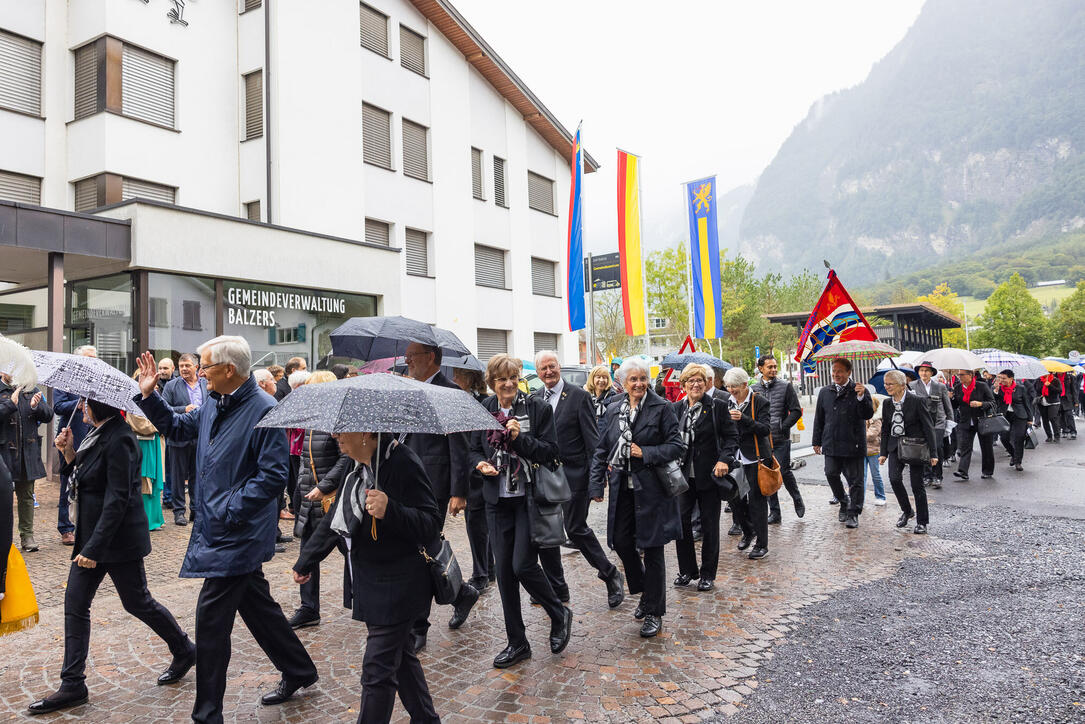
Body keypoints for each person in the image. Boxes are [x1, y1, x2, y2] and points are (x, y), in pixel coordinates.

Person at [134, 339, 318, 723]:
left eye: (206, 367)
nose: (200, 373)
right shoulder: (215, 403)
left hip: (239, 533)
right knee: (259, 608)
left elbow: (272, 478)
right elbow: (178, 428)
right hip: (219, 527)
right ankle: (299, 669)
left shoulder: (265, 410)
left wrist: (229, 509)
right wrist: (150, 397)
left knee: (211, 621)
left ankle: (207, 714)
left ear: (229, 370)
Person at [27, 399, 195, 715]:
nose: (82, 408)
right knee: (75, 603)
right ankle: (73, 684)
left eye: (87, 404)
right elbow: (87, 477)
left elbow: (118, 498)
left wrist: (93, 549)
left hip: (117, 539)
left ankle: (184, 649)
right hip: (93, 534)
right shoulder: (97, 433)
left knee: (137, 602)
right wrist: (68, 454)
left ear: (102, 407)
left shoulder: (121, 437)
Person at [293, 431, 442, 723]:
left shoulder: (402, 462)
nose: (336, 436)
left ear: (364, 434)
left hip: (400, 585)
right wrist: (307, 559)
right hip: (371, 581)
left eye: (342, 430)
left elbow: (431, 524)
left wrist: (392, 510)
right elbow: (335, 516)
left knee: (377, 669)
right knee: (402, 660)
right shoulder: (358, 464)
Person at [472, 353, 572, 665]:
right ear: (492, 382)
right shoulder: (483, 410)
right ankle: (518, 643)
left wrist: (520, 439)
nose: (509, 383)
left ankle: (559, 613)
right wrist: (479, 464)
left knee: (522, 566)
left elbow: (552, 454)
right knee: (503, 573)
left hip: (528, 499)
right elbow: (472, 449)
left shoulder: (536, 408)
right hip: (497, 501)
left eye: (513, 377)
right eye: (502, 379)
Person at [589, 356, 683, 638]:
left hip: (652, 490)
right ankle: (645, 590)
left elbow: (676, 446)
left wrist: (647, 453)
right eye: (634, 379)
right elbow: (601, 449)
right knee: (619, 541)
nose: (639, 384)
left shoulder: (662, 408)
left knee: (653, 548)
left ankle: (654, 611)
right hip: (622, 488)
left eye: (643, 378)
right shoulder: (613, 408)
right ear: (623, 382)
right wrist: (596, 485)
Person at [533, 351, 625, 609]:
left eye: (552, 366)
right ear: (538, 373)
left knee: (575, 529)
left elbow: (594, 443)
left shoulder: (578, 396)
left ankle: (609, 574)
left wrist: (597, 480)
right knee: (548, 533)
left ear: (559, 366)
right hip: (545, 477)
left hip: (575, 476)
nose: (548, 372)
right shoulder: (535, 399)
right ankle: (558, 588)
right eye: (543, 369)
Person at [401, 342, 478, 646]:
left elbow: (460, 447)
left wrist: (459, 492)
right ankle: (462, 593)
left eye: (412, 357)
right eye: (406, 357)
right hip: (406, 479)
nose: (407, 362)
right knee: (424, 548)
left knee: (419, 551)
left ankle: (419, 626)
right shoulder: (409, 390)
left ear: (430, 357)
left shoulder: (451, 392)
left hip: (435, 484)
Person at [288, 371, 351, 629]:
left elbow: (347, 458)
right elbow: (305, 463)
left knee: (351, 551)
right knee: (308, 552)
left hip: (332, 501)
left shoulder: (338, 422)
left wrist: (325, 486)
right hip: (311, 500)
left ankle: (361, 597)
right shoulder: (314, 420)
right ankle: (308, 608)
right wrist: (297, 495)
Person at [672, 364, 738, 589]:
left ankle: (708, 574)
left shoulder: (718, 406)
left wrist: (724, 460)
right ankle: (687, 570)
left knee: (710, 526)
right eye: (691, 381)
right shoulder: (676, 409)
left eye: (700, 380)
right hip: (682, 478)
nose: (695, 384)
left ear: (707, 383)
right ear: (684, 385)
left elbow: (731, 439)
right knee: (681, 524)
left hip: (710, 477)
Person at [811, 358, 874, 529]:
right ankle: (843, 500)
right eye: (834, 371)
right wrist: (816, 441)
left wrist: (862, 397)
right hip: (831, 442)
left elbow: (867, 414)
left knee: (856, 481)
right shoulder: (825, 392)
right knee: (831, 473)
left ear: (848, 373)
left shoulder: (859, 390)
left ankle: (853, 512)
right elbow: (819, 418)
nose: (836, 374)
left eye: (840, 371)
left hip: (853, 443)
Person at [720, 367, 773, 558]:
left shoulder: (759, 401)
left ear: (744, 384)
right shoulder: (726, 402)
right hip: (734, 458)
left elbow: (765, 429)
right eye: (728, 387)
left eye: (734, 386)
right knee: (735, 499)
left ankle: (762, 544)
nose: (731, 390)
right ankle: (748, 531)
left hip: (755, 458)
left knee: (757, 502)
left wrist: (744, 419)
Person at [879, 370, 939, 535]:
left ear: (902, 384)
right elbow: (885, 429)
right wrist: (883, 452)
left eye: (890, 384)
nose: (887, 387)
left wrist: (933, 453)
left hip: (915, 447)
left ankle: (922, 522)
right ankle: (907, 511)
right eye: (885, 384)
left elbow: (928, 427)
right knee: (894, 479)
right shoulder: (887, 403)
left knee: (916, 485)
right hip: (894, 446)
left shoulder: (917, 401)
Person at [0, 372, 54, 552]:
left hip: (26, 453)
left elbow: (48, 415)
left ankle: (27, 535)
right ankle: (4, 538)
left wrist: (35, 406)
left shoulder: (31, 389)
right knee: (3, 498)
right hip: (4, 453)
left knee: (27, 496)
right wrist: (10, 404)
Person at [452, 366, 495, 591]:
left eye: (458, 375)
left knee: (478, 524)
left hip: (480, 468)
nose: (454, 379)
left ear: (470, 378)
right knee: (477, 523)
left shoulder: (483, 403)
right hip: (470, 469)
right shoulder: (458, 400)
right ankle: (487, 568)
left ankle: (481, 573)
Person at [52, 344, 97, 546]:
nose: (93, 361)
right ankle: (66, 528)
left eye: (95, 358)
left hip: (93, 436)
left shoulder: (97, 381)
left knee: (90, 481)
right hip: (71, 436)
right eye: (89, 358)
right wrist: (77, 404)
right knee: (68, 481)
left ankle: (86, 524)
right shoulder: (65, 379)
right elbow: (58, 407)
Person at [756, 355, 805, 523]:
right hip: (763, 439)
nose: (774, 370)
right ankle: (775, 512)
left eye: (775, 366)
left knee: (783, 471)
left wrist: (783, 426)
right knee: (768, 474)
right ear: (761, 368)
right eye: (770, 367)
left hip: (781, 438)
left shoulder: (786, 387)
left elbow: (796, 410)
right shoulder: (754, 389)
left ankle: (797, 498)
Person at [161, 352, 206, 527]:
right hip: (178, 437)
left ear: (197, 367)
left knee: (197, 475)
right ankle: (179, 511)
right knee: (178, 477)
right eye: (181, 366)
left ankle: (195, 509)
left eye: (188, 365)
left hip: (200, 436)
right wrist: (183, 409)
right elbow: (165, 409)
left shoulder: (204, 384)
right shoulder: (172, 386)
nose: (184, 369)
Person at [908, 361, 953, 489]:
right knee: (924, 448)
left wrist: (949, 422)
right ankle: (927, 475)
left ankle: (937, 476)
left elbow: (947, 406)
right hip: (921, 422)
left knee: (937, 447)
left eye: (927, 371)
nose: (924, 373)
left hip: (938, 421)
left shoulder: (940, 386)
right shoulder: (912, 385)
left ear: (932, 373)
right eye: (921, 370)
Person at [952, 368, 996, 480]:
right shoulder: (957, 387)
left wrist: (980, 403)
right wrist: (951, 398)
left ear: (970, 375)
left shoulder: (982, 386)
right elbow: (955, 405)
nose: (959, 377)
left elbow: (992, 402)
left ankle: (987, 471)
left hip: (982, 420)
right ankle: (963, 471)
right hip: (965, 421)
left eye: (962, 375)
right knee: (965, 447)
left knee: (986, 447)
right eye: (958, 375)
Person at [994, 369, 1033, 472]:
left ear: (1011, 378)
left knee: (1019, 438)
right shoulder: (998, 388)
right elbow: (994, 401)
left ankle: (1018, 462)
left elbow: (1027, 403)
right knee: (1004, 438)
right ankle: (1014, 455)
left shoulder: (1020, 388)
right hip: (1005, 415)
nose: (1002, 380)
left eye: (1004, 378)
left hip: (1020, 416)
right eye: (1000, 378)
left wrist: (1030, 419)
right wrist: (996, 391)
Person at [863, 397, 887, 506]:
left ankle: (880, 496)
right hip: (862, 451)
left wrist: (858, 436)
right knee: (861, 476)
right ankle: (859, 498)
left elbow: (872, 435)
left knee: (875, 475)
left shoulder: (876, 419)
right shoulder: (861, 416)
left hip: (873, 451)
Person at [1033, 371, 1063, 443]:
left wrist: (1049, 385)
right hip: (1042, 402)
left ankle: (1057, 436)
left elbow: (1059, 391)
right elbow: (1035, 389)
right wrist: (1040, 394)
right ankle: (1049, 436)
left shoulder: (1055, 380)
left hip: (1053, 402)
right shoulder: (1038, 380)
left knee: (1053, 418)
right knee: (1044, 419)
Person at [1056, 371, 1077, 440]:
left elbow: (1074, 390)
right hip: (1058, 399)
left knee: (1069, 415)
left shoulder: (1070, 377)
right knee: (1060, 416)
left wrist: (1076, 401)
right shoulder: (1055, 377)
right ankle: (1064, 430)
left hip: (1067, 399)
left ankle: (1073, 431)